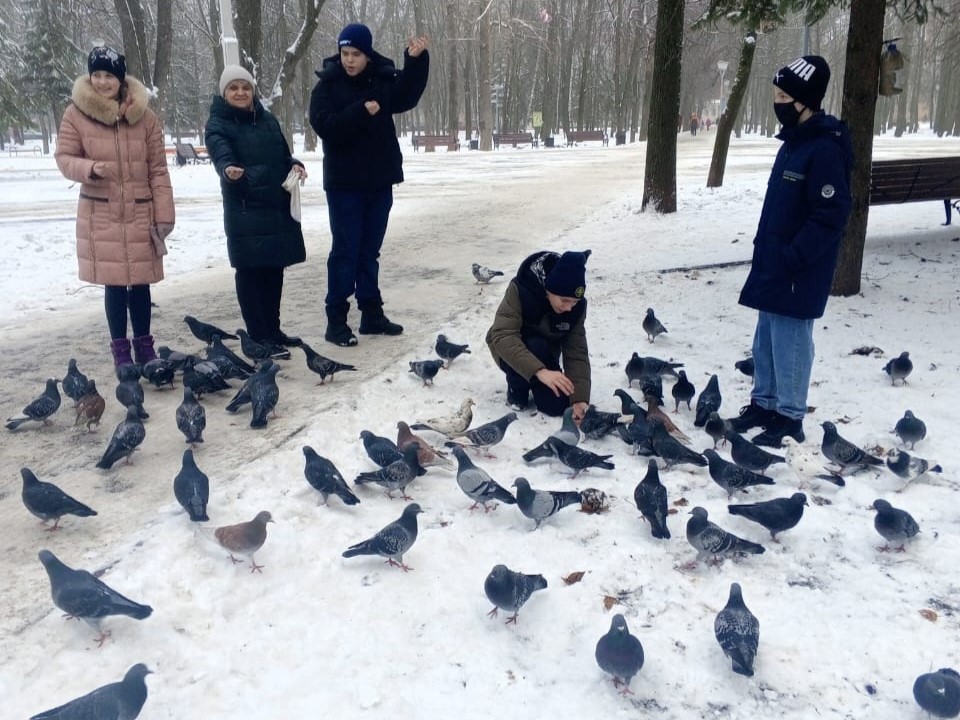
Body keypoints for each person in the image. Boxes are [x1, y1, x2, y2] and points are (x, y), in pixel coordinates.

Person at [728, 56, 853, 447]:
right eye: (776, 95)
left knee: (791, 340)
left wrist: (796, 255)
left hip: (799, 268)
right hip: (774, 261)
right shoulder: (794, 144)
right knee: (765, 338)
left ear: (804, 102)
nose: (778, 102)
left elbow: (831, 213)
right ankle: (764, 403)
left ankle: (790, 415)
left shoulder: (824, 150)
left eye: (784, 96)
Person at [309, 24, 430, 347]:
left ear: (367, 53)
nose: (349, 60)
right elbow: (326, 126)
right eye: (345, 53)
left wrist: (416, 61)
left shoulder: (382, 78)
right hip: (344, 185)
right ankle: (336, 321)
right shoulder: (327, 86)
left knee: (369, 251)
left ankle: (371, 314)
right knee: (345, 252)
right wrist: (359, 112)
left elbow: (407, 95)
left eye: (356, 54)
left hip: (378, 182)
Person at [55, 46, 175, 369]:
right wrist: (89, 168)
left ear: (121, 79)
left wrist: (164, 214)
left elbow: (158, 170)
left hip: (140, 210)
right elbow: (64, 159)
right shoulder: (75, 114)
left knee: (140, 283)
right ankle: (121, 351)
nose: (102, 81)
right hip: (102, 212)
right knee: (114, 285)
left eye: (109, 75)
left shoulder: (145, 118)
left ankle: (145, 347)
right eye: (97, 74)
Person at [205, 66, 307, 355]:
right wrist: (228, 170)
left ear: (252, 91)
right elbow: (221, 155)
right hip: (246, 210)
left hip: (275, 207)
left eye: (245, 87)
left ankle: (273, 330)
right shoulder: (218, 124)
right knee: (251, 273)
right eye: (233, 88)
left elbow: (283, 155)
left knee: (274, 270)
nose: (240, 92)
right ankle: (258, 337)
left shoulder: (267, 120)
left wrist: (295, 165)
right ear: (224, 93)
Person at [486, 250, 592, 422]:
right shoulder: (521, 289)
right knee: (534, 346)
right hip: (509, 349)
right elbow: (503, 335)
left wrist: (579, 399)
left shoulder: (575, 308)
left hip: (545, 355)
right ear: (549, 289)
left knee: (557, 407)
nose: (569, 308)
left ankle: (537, 381)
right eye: (564, 300)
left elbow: (576, 351)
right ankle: (516, 389)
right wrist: (540, 372)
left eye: (575, 302)